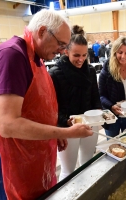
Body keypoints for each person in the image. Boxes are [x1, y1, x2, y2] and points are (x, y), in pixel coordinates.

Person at [0, 9, 93, 199]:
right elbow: (8, 125)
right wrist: (64, 132)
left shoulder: (36, 56)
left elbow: (36, 104)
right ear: (42, 31)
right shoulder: (12, 56)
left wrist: (52, 130)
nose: (61, 51)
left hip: (29, 145)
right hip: (9, 149)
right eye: (60, 44)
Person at [48, 25, 101, 181]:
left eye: (84, 55)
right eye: (76, 55)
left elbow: (95, 98)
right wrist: (64, 121)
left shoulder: (90, 71)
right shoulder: (55, 73)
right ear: (66, 51)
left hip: (90, 123)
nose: (81, 59)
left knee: (87, 164)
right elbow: (52, 107)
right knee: (68, 171)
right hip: (67, 128)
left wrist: (101, 113)